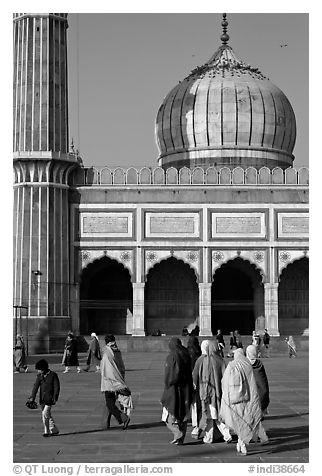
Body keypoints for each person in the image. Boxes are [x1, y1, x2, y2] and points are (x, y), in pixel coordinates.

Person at [219, 348, 262, 455]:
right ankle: (241, 442)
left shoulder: (231, 365)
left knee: (238, 421)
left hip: (234, 399)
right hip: (247, 398)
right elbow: (252, 383)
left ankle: (241, 443)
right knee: (244, 420)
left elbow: (224, 381)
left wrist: (225, 395)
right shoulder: (247, 365)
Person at [193, 340, 231, 444]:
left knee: (210, 416)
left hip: (206, 393)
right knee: (217, 414)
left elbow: (194, 376)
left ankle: (212, 437)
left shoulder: (200, 360)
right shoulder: (220, 360)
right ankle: (224, 434)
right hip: (218, 392)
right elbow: (226, 376)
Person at [161, 337, 193, 445]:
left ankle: (177, 433)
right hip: (186, 388)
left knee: (169, 415)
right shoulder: (186, 354)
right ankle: (180, 438)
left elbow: (170, 376)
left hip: (175, 389)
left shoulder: (172, 356)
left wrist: (167, 383)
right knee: (183, 414)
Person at [100, 334, 131, 429]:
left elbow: (107, 370)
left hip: (110, 382)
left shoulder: (107, 353)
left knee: (109, 404)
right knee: (110, 404)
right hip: (118, 379)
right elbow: (121, 366)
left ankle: (123, 418)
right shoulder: (117, 351)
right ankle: (105, 424)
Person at [27, 359, 60, 437]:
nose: (38, 371)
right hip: (42, 399)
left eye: (39, 369)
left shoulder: (53, 375)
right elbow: (35, 387)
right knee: (47, 414)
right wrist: (32, 397)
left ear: (43, 368)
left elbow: (56, 387)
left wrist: (55, 396)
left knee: (44, 413)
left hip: (50, 399)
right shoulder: (39, 376)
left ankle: (46, 431)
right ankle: (54, 429)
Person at [246, 345, 269, 444]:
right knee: (254, 417)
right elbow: (263, 382)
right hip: (259, 395)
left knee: (251, 417)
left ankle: (261, 437)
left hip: (250, 395)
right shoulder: (259, 364)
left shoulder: (245, 365)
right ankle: (258, 436)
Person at [186, 336, 202, 439]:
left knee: (193, 403)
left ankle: (195, 423)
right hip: (200, 379)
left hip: (190, 379)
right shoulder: (199, 351)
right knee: (198, 402)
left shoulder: (187, 352)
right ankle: (197, 423)